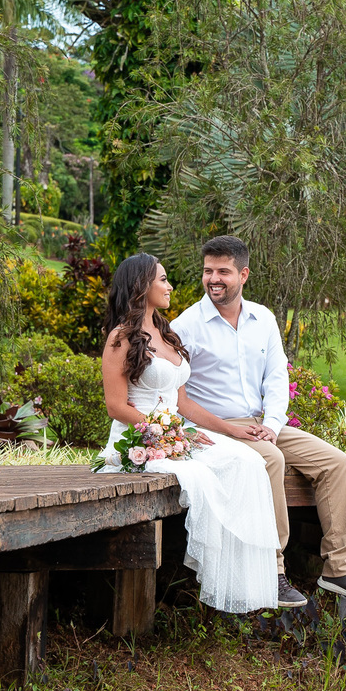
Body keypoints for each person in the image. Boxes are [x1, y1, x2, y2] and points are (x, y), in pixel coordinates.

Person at [171, 235, 346, 608]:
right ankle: (272, 571)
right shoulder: (186, 326)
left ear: (243, 274)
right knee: (271, 459)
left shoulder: (263, 319)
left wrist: (272, 423)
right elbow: (178, 398)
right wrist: (232, 430)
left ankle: (339, 567)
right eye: (208, 271)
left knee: (336, 462)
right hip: (217, 428)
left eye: (223, 271)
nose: (213, 279)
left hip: (262, 424)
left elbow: (276, 378)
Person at [96, 253, 280, 614]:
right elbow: (116, 406)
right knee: (203, 476)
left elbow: (183, 403)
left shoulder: (166, 334)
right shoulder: (121, 337)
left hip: (174, 434)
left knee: (247, 461)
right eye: (163, 280)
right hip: (138, 439)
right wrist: (165, 433)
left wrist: (232, 430)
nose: (170, 287)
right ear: (141, 286)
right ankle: (213, 577)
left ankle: (251, 577)